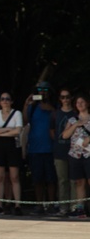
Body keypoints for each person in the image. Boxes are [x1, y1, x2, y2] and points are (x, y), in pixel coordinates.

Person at [0, 92, 25, 215]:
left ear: (11, 101)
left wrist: (1, 132)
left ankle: (17, 205)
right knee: (0, 177)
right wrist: (9, 129)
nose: (4, 101)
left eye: (7, 99)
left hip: (12, 145)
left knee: (14, 177)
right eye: (2, 99)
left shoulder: (17, 113)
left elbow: (18, 130)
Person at [23, 81, 57, 214]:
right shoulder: (33, 107)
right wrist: (26, 105)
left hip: (50, 148)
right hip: (35, 148)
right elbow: (25, 121)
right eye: (40, 90)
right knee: (37, 179)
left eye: (45, 90)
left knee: (51, 179)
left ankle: (52, 205)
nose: (42, 92)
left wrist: (50, 108)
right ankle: (39, 205)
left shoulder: (55, 106)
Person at [61, 93, 90, 219]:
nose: (80, 104)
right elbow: (65, 136)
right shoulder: (72, 120)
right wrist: (75, 125)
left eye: (82, 102)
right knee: (79, 182)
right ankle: (80, 208)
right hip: (75, 154)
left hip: (89, 153)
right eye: (78, 103)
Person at [54, 87, 76, 215]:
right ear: (59, 99)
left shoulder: (75, 113)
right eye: (63, 97)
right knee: (62, 180)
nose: (65, 99)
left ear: (71, 98)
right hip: (59, 150)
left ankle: (75, 207)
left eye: (67, 97)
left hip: (74, 151)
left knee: (74, 180)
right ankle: (63, 207)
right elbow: (52, 132)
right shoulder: (55, 114)